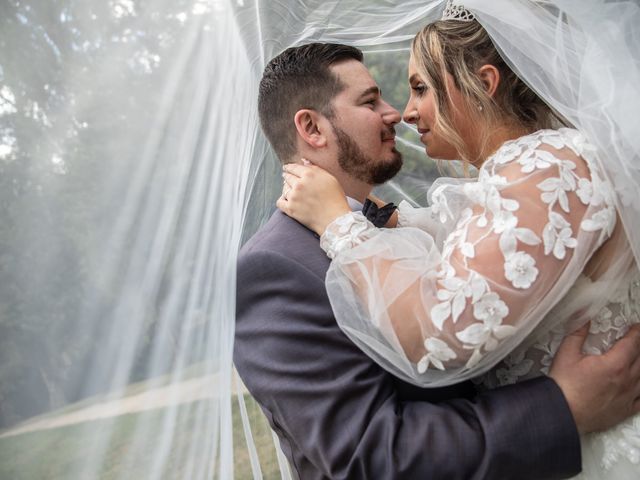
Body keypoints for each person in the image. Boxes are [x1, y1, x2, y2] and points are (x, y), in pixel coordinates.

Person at [234, 41, 640, 480]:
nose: (397, 113)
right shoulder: (273, 268)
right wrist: (563, 407)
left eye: (415, 90)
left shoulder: (407, 222)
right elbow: (370, 457)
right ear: (312, 128)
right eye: (371, 101)